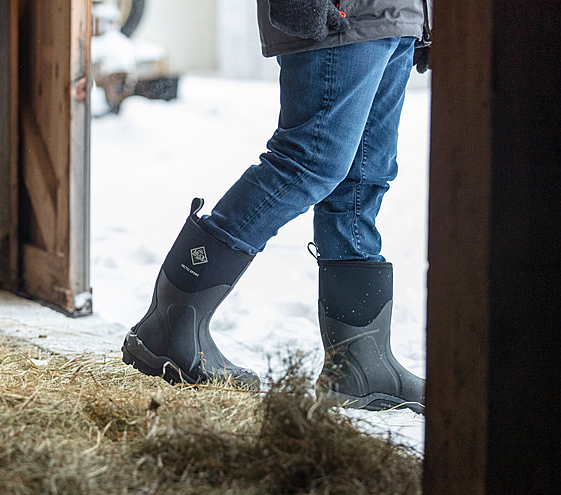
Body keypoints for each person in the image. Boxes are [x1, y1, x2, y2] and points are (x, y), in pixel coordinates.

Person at [120, 0, 431, 414]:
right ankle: (172, 325)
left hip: (395, 15)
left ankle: (360, 364)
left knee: (364, 178)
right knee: (308, 160)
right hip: (344, 13)